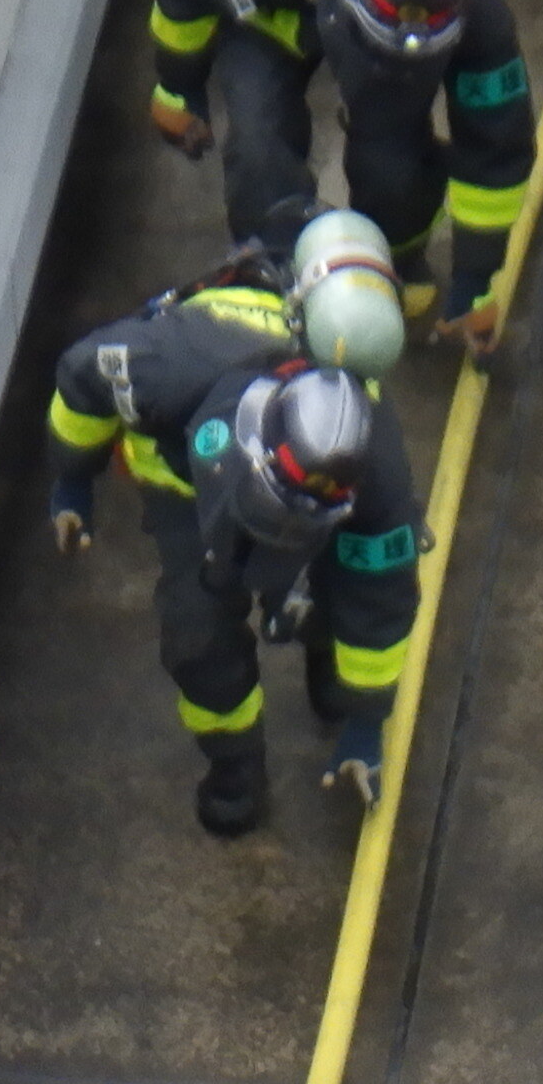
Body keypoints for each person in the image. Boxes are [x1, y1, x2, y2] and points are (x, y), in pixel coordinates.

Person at [46, 239, 429, 832]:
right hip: (184, 494)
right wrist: (73, 479)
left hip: (300, 520)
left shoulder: (375, 474)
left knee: (333, 600)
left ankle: (330, 677)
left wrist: (365, 722)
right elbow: (80, 378)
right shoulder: (166, 366)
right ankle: (235, 768)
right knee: (198, 643)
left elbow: (380, 603)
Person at [141, 0, 539, 329]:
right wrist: (177, 88)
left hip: (375, 64)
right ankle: (276, 264)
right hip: (272, 20)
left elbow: (496, 154)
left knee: (394, 169)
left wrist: (473, 287)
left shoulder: (481, 11)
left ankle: (395, 257)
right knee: (260, 146)